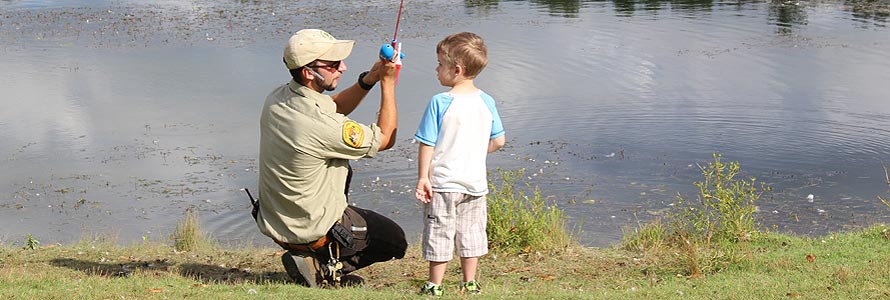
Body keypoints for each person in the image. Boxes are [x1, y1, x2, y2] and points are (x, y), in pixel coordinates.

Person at [256, 28, 407, 288]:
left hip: (276, 221)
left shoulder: (278, 98)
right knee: (395, 240)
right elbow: (385, 138)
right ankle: (323, 266)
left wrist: (369, 79)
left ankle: (307, 255)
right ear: (308, 72)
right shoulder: (320, 125)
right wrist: (388, 83)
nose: (344, 67)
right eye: (334, 64)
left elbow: (332, 107)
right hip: (311, 228)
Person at [413, 32, 506, 296]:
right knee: (471, 234)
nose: (436, 69)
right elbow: (499, 141)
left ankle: (435, 285)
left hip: (443, 183)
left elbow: (426, 143)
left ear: (457, 70)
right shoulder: (487, 101)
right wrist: (475, 153)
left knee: (439, 233)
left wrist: (423, 177)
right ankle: (469, 283)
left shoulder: (440, 102)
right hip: (475, 184)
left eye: (440, 64)